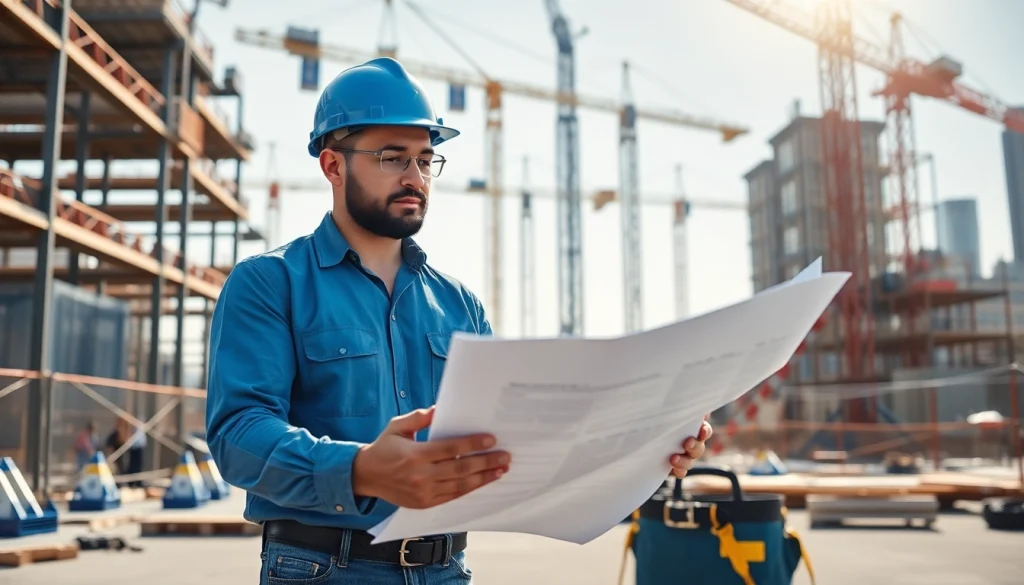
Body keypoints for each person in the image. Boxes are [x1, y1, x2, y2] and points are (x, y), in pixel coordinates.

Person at [205, 57, 713, 585]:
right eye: (392, 157)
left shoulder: (460, 305)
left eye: (426, 160)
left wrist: (646, 456)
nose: (415, 177)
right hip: (323, 568)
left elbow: (511, 447)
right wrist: (358, 470)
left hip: (445, 570)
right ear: (333, 166)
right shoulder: (269, 283)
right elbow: (239, 435)